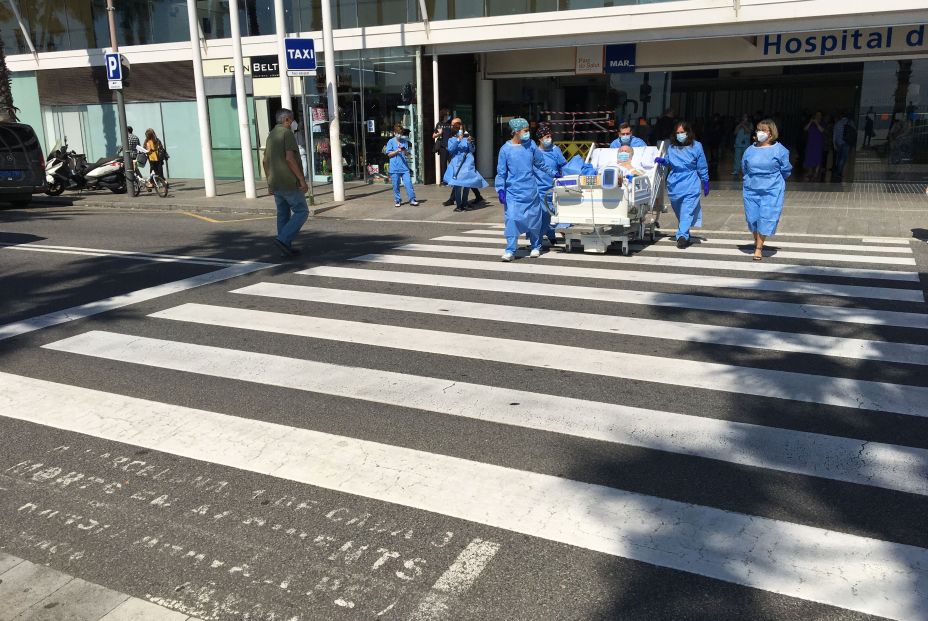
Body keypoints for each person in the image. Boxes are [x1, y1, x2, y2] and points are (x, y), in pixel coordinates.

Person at [495, 117, 557, 262]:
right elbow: (501, 172)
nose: (528, 133)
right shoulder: (505, 150)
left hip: (530, 189)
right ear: (516, 132)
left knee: (534, 219)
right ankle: (510, 249)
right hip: (513, 191)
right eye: (526, 130)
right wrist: (500, 189)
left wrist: (553, 173)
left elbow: (540, 163)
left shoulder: (531, 146)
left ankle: (536, 245)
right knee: (511, 219)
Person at [742, 118, 792, 261]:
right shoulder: (749, 150)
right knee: (753, 218)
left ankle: (758, 248)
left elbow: (786, 169)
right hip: (751, 188)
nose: (760, 132)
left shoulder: (780, 150)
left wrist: (775, 181)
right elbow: (744, 168)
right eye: (758, 129)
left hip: (771, 189)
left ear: (771, 133)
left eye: (764, 130)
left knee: (766, 217)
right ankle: (757, 239)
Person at [654, 120, 709, 248]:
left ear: (688, 132)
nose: (680, 135)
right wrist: (662, 160)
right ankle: (685, 232)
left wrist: (705, 181)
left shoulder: (696, 146)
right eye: (678, 132)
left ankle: (682, 236)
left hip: (691, 180)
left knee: (687, 210)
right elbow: (669, 161)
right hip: (674, 182)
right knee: (680, 211)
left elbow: (702, 165)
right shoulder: (672, 147)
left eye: (682, 132)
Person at [263, 108, 309, 257]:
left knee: (283, 214)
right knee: (302, 211)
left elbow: (265, 161)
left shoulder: (271, 135)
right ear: (286, 120)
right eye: (292, 119)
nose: (293, 122)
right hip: (289, 181)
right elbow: (290, 159)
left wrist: (269, 182)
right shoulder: (286, 133)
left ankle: (285, 247)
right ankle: (283, 239)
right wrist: (302, 180)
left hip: (276, 182)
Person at [533, 123, 566, 246]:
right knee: (541, 215)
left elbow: (563, 165)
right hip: (538, 189)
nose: (549, 139)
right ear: (540, 139)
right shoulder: (534, 152)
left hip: (553, 188)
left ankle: (550, 233)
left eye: (550, 136)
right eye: (546, 137)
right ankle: (537, 242)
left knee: (551, 214)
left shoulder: (555, 150)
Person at [443, 123, 487, 212]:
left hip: (467, 164)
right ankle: (459, 205)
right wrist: (458, 140)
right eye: (460, 129)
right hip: (457, 164)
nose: (462, 131)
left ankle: (465, 203)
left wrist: (470, 143)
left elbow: (472, 150)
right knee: (458, 185)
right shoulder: (451, 139)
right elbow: (451, 150)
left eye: (462, 130)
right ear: (456, 131)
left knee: (467, 183)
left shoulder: (466, 138)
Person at [385, 123, 419, 208]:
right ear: (394, 133)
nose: (399, 134)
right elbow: (389, 154)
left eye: (400, 133)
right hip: (394, 168)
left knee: (408, 184)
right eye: (397, 133)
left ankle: (412, 199)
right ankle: (397, 200)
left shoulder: (404, 142)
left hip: (404, 167)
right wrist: (397, 151)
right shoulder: (391, 141)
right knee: (396, 185)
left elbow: (408, 154)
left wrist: (405, 151)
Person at [432, 107, 453, 186]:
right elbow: (433, 136)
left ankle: (451, 179)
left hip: (450, 147)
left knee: (451, 164)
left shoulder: (450, 124)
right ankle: (445, 180)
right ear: (443, 115)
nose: (448, 116)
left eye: (449, 115)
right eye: (447, 115)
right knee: (443, 164)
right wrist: (439, 134)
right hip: (443, 147)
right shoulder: (439, 124)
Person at [832, 111, 855, 182]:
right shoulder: (851, 122)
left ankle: (838, 170)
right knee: (843, 159)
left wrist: (834, 144)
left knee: (839, 158)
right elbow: (854, 132)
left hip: (838, 143)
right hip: (846, 143)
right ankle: (838, 172)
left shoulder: (837, 123)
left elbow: (834, 135)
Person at [802, 112, 825, 182]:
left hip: (818, 144)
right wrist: (810, 122)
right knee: (810, 157)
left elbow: (822, 130)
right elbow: (805, 129)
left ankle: (816, 173)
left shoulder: (822, 123)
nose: (818, 116)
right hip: (811, 143)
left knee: (817, 158)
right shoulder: (811, 124)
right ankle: (810, 172)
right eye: (817, 115)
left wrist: (817, 123)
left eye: (819, 115)